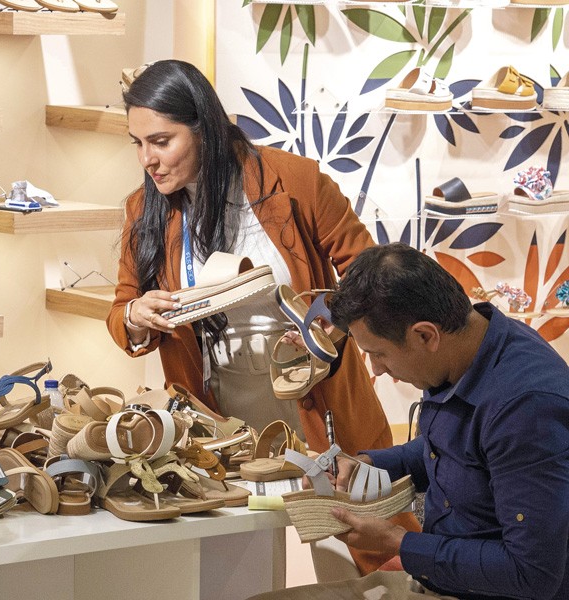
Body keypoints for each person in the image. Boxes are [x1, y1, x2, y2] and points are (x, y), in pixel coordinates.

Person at [105, 59, 419, 574]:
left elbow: (369, 270)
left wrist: (329, 320)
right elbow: (121, 311)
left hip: (316, 396)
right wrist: (138, 314)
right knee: (228, 561)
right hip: (219, 415)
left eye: (161, 141)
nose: (148, 160)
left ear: (203, 127)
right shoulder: (145, 209)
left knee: (369, 553)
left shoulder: (294, 180)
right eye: (137, 143)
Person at [251, 242, 569, 599]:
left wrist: (398, 542)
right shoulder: (465, 348)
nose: (377, 369)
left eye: (379, 354)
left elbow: (532, 573)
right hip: (440, 581)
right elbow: (452, 451)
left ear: (424, 335)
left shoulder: (524, 409)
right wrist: (368, 464)